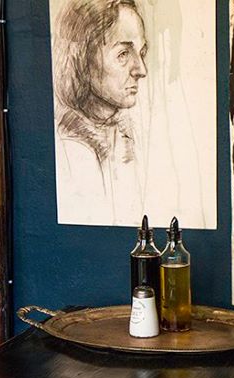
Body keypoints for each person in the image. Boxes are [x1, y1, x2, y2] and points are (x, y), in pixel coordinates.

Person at [52, 0, 148, 226]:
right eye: (123, 53)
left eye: (141, 52)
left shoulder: (129, 138)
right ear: (83, 57)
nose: (141, 70)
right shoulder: (66, 147)